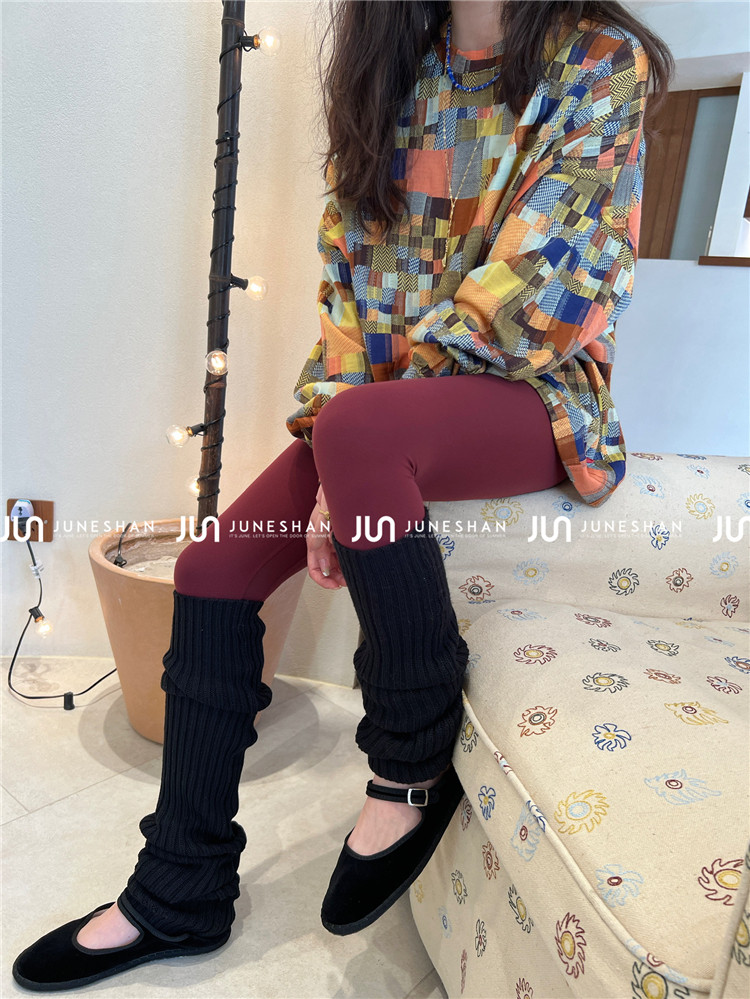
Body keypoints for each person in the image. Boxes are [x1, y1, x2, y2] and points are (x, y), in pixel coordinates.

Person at [12, 0, 673, 992]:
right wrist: (339, 440)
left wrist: (357, 439)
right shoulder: (395, 70)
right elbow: (351, 297)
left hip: (535, 393)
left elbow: (552, 285)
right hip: (381, 411)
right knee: (213, 567)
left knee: (362, 429)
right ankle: (179, 888)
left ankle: (412, 754)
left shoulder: (598, 59)